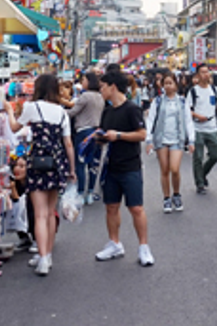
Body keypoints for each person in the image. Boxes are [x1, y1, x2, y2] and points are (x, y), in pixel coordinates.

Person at [7, 73, 77, 276]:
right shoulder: (62, 112)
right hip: (57, 164)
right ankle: (48, 255)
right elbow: (68, 144)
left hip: (37, 163)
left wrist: (9, 111)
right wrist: (71, 170)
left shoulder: (32, 107)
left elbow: (14, 128)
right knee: (50, 212)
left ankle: (43, 257)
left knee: (39, 213)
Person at [93, 69, 154, 266]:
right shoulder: (107, 111)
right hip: (110, 166)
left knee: (136, 207)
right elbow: (104, 134)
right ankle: (114, 243)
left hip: (130, 165)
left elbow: (142, 134)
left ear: (113, 87)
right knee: (111, 206)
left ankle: (144, 247)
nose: (100, 90)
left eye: (102, 87)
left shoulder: (132, 109)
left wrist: (118, 135)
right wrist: (99, 138)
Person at [145, 71, 195, 213]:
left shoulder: (182, 101)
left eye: (170, 83)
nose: (168, 86)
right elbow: (151, 120)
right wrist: (149, 139)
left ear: (175, 84)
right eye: (165, 83)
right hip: (161, 138)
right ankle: (166, 197)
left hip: (177, 139)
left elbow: (188, 121)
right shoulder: (158, 101)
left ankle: (177, 194)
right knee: (164, 170)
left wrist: (191, 140)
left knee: (175, 168)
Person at [67, 71, 105, 205]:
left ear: (89, 81)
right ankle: (90, 192)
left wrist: (59, 112)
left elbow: (72, 113)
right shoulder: (100, 97)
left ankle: (81, 192)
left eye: (83, 80)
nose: (82, 82)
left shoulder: (85, 96)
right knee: (93, 164)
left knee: (80, 163)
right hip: (97, 132)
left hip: (83, 132)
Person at [186, 63, 217, 195]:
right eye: (202, 72)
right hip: (197, 128)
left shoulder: (214, 89)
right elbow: (187, 110)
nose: (206, 74)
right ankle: (200, 184)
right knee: (198, 157)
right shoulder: (193, 91)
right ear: (197, 75)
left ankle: (202, 174)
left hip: (211, 126)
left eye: (207, 72)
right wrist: (197, 116)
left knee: (215, 156)